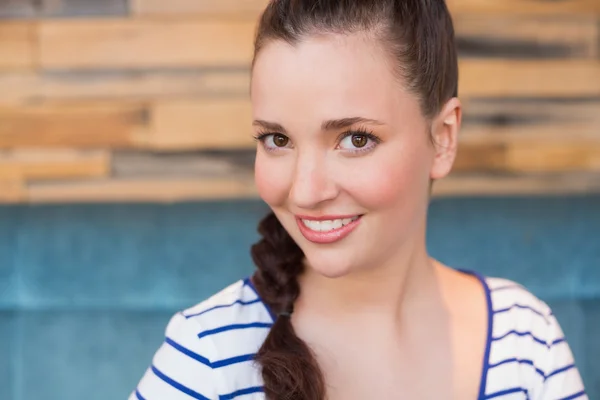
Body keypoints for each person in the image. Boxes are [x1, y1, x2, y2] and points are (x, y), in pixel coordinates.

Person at [130, 0, 587, 399]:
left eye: (355, 139)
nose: (305, 191)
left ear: (443, 138)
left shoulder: (525, 340)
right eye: (276, 138)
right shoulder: (207, 356)